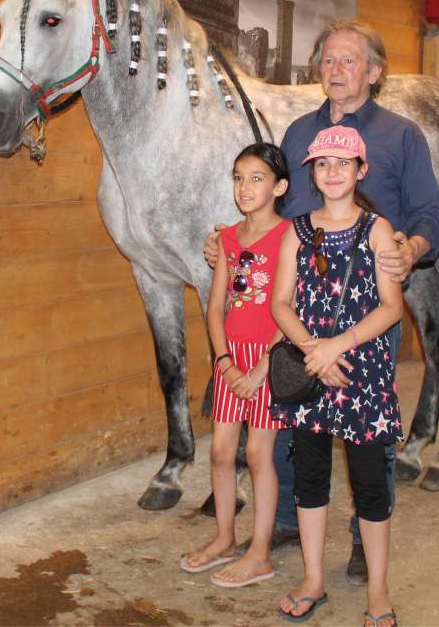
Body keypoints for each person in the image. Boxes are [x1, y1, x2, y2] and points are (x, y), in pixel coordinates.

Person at [204, 19, 439, 584]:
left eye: (349, 61)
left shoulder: (400, 136)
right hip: (300, 310)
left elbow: (430, 213)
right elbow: (273, 213)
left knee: (369, 433)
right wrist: (230, 242)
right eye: (328, 61)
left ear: (375, 72)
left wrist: (411, 247)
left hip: (367, 308)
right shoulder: (297, 135)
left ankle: (366, 535)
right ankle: (288, 518)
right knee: (291, 413)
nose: (336, 71)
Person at [271, 126, 404, 625]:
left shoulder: (377, 229)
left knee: (371, 482)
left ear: (360, 170)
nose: (332, 172)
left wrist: (337, 347)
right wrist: (312, 351)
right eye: (323, 163)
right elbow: (280, 301)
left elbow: (391, 307)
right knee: (310, 478)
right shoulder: (297, 229)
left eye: (343, 163)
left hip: (361, 373)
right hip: (310, 372)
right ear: (312, 171)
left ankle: (378, 590)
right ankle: (312, 578)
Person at [181, 143, 290, 588]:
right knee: (222, 451)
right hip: (231, 361)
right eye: (239, 177)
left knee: (257, 454)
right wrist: (224, 362)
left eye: (257, 178)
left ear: (280, 186)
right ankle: (225, 538)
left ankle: (260, 553)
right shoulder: (227, 238)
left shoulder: (290, 237)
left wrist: (262, 368)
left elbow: (291, 309)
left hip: (269, 359)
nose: (245, 187)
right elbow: (214, 309)